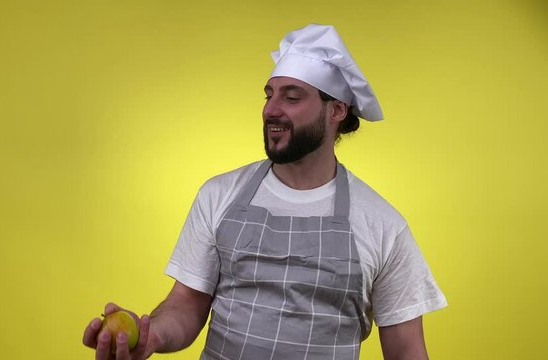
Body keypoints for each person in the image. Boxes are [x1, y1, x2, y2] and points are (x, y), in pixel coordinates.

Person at [83, 23, 447, 360]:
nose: (271, 110)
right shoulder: (219, 195)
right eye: (269, 95)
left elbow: (406, 352)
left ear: (336, 110)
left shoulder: (382, 225)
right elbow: (186, 305)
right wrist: (151, 336)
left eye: (292, 98)